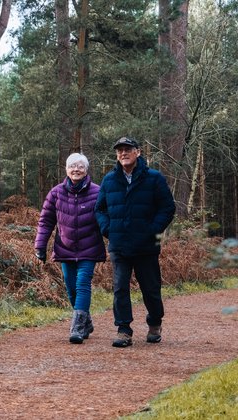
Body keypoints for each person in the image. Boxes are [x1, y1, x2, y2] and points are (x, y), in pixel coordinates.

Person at [95, 136, 176, 348]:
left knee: (150, 288)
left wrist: (152, 230)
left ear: (138, 152)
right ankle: (124, 330)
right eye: (120, 150)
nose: (123, 153)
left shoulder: (154, 178)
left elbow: (167, 208)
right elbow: (100, 209)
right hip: (119, 244)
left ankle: (155, 323)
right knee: (120, 287)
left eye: (128, 149)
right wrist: (107, 229)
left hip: (146, 245)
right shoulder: (109, 180)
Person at [35, 153, 106, 344]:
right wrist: (40, 245)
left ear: (86, 170)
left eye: (80, 166)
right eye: (72, 166)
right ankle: (86, 321)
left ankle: (76, 328)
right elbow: (45, 221)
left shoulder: (98, 192)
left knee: (82, 284)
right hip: (65, 249)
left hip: (89, 249)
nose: (76, 169)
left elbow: (107, 220)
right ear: (66, 169)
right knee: (70, 287)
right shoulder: (56, 193)